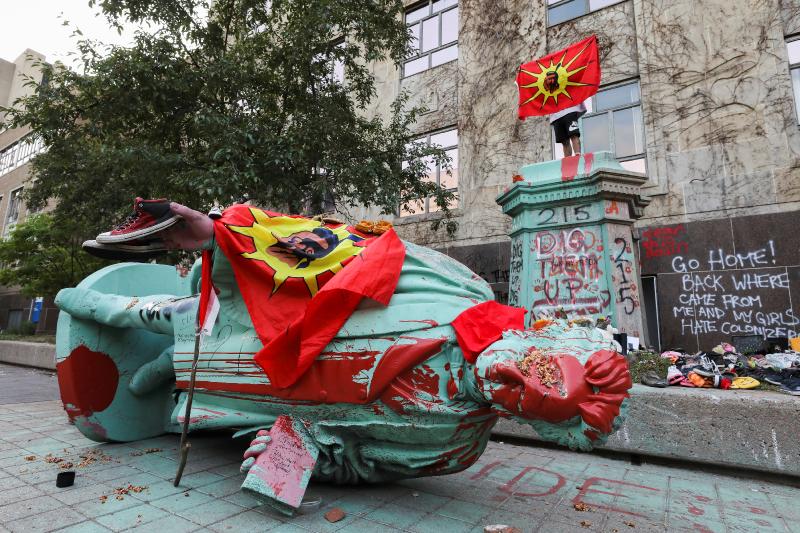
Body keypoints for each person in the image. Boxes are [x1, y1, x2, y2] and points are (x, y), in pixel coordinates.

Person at [545, 70, 587, 157]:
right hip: (556, 115)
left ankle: (577, 155)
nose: (550, 81)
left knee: (574, 135)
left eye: (552, 78)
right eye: (548, 79)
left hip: (569, 110)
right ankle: (568, 161)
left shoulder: (565, 79)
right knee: (564, 141)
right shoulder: (546, 88)